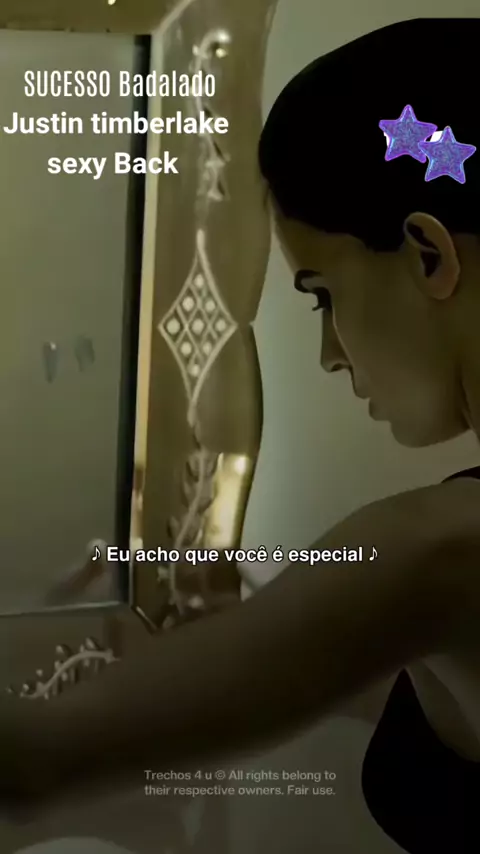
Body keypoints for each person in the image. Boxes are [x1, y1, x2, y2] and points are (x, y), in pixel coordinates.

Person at [3, 17, 480, 853]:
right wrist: (252, 636)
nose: (331, 354)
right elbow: (414, 676)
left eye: (321, 294)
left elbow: (30, 762)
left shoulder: (439, 551)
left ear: (427, 254)